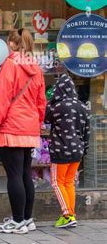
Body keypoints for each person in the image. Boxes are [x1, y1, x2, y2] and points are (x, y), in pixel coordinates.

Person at [0, 28, 47, 234]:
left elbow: (2, 99)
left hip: (11, 128)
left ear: (12, 44)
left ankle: (17, 220)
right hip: (29, 128)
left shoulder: (10, 65)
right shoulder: (36, 67)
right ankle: (28, 218)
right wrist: (36, 124)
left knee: (13, 175)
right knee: (25, 174)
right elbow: (41, 102)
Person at [45, 73, 90, 228]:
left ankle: (67, 215)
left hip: (61, 150)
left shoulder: (57, 106)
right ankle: (71, 213)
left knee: (57, 182)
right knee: (69, 182)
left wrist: (51, 100)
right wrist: (85, 150)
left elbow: (45, 117)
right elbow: (87, 132)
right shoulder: (83, 107)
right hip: (77, 151)